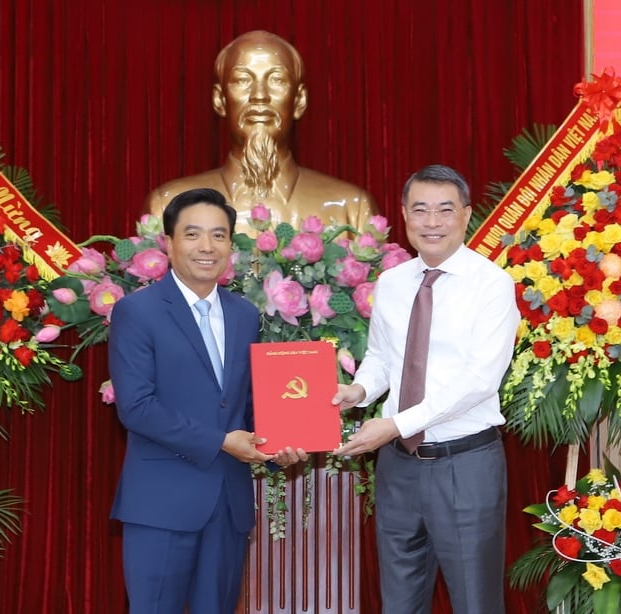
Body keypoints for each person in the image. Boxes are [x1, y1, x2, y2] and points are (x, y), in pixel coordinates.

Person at [108, 187, 308, 614]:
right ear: (168, 242)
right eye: (193, 234)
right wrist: (221, 441)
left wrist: (279, 449)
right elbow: (137, 408)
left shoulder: (244, 315)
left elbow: (249, 404)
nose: (206, 246)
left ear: (231, 245)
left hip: (228, 505)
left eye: (218, 236)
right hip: (161, 504)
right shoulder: (136, 312)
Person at [332, 165, 521, 613]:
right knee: (399, 601)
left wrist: (394, 423)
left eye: (444, 210)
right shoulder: (393, 283)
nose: (432, 222)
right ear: (404, 215)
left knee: (475, 601)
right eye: (420, 210)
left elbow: (479, 381)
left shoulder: (492, 285)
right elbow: (382, 358)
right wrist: (358, 391)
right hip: (398, 468)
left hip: (466, 465)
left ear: (466, 215)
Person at [144, 30, 377, 233]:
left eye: (276, 80)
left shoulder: (350, 207)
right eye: (242, 80)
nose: (259, 96)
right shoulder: (168, 205)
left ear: (299, 100)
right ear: (220, 100)